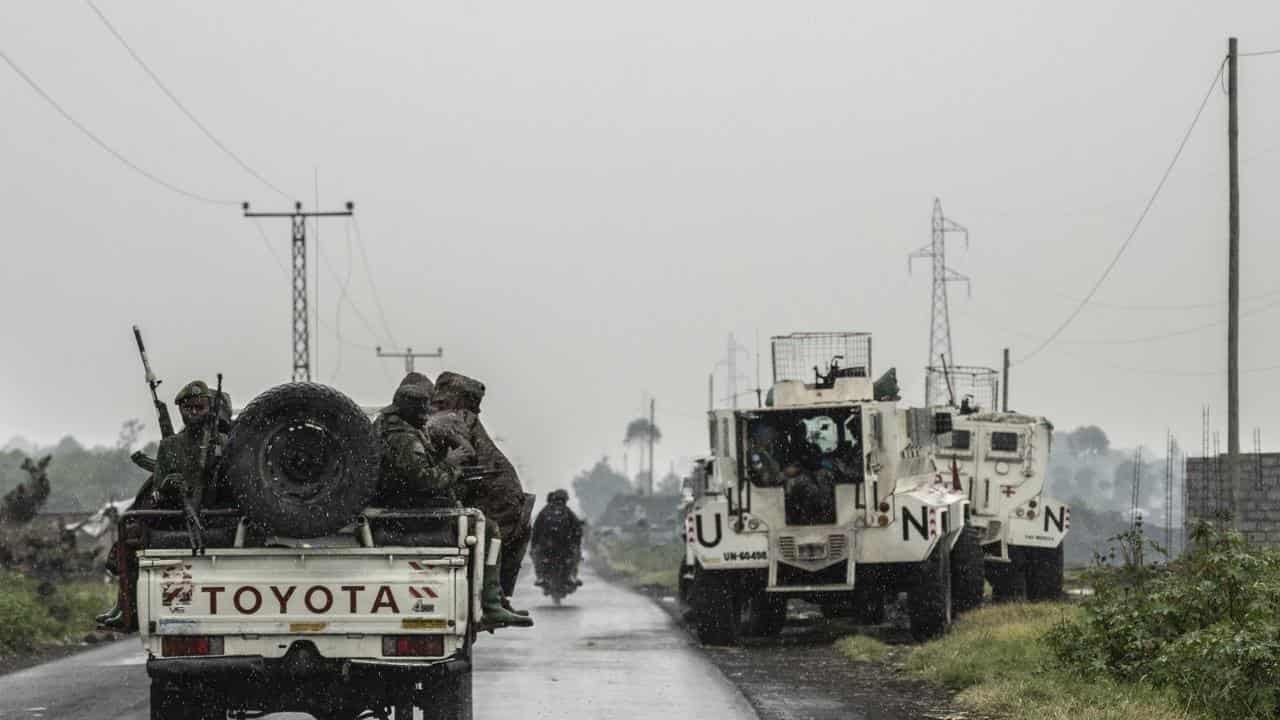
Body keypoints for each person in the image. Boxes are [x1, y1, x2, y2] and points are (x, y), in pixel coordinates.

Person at [377, 373, 532, 628]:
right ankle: (491, 605)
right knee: (489, 529)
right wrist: (452, 466)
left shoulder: (391, 426)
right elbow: (425, 480)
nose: (429, 412)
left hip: (405, 508)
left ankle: (493, 599)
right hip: (412, 513)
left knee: (488, 523)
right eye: (426, 406)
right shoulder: (405, 436)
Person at [98, 380, 228, 631]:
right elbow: (156, 489)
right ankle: (127, 608)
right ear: (181, 411)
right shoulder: (171, 446)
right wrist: (168, 485)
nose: (194, 413)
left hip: (216, 514)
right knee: (131, 534)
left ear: (209, 409)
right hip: (176, 513)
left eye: (200, 407)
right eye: (189, 408)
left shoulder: (223, 441)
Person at [428, 371, 534, 616]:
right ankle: (493, 600)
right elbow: (464, 459)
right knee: (495, 534)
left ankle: (496, 597)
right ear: (460, 399)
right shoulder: (454, 419)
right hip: (482, 497)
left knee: (502, 535)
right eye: (473, 402)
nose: (478, 410)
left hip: (488, 496)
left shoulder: (449, 418)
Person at [531, 489, 584, 587]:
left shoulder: (545, 511)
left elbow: (536, 529)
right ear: (565, 499)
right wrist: (576, 542)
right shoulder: (567, 511)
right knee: (576, 555)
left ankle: (540, 577)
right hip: (565, 545)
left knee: (536, 555)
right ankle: (572, 576)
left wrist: (534, 545)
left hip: (547, 546)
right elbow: (578, 528)